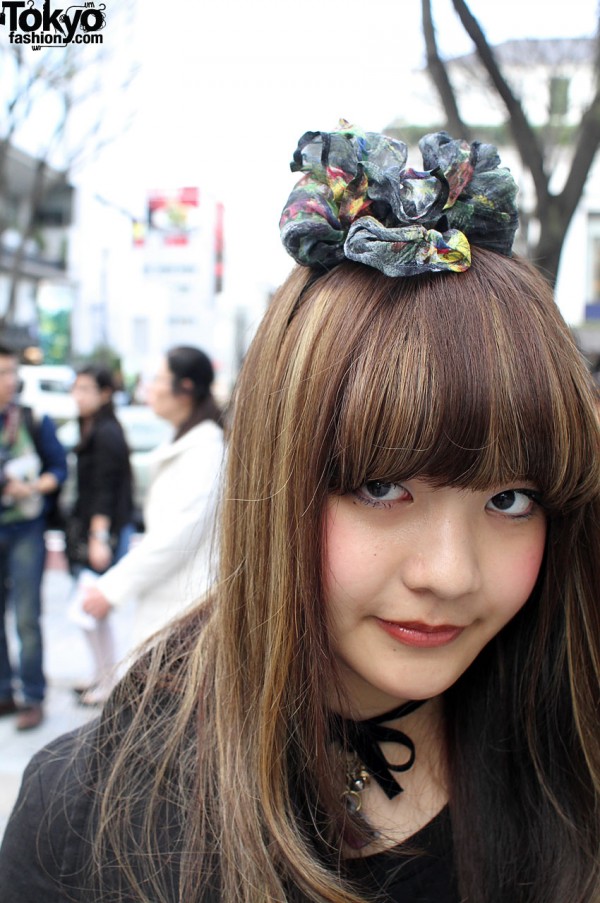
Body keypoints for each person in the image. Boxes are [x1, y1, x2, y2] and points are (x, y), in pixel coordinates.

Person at [1, 125, 599, 903]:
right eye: (382, 487)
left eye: (509, 499)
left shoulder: (573, 762)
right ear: (278, 479)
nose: (451, 572)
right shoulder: (90, 816)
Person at [79, 346, 224, 646]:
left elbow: (177, 536)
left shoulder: (207, 452)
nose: (151, 388)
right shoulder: (185, 440)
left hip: (186, 607)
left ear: (184, 389)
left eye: (158, 379)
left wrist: (114, 587)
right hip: (171, 600)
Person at [0, 344, 67, 731]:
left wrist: (38, 485)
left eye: (13, 372)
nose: (12, 380)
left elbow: (59, 467)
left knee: (27, 616)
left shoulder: (32, 417)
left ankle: (33, 695)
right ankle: (4, 691)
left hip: (26, 527)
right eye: (4, 372)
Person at [66, 366, 135, 706]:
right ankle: (101, 673)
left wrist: (98, 535)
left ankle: (108, 680)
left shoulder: (106, 431)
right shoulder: (93, 426)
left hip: (101, 531)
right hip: (92, 528)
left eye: (86, 389)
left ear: (105, 393)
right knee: (90, 608)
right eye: (75, 388)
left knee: (94, 607)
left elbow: (106, 488)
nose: (78, 396)